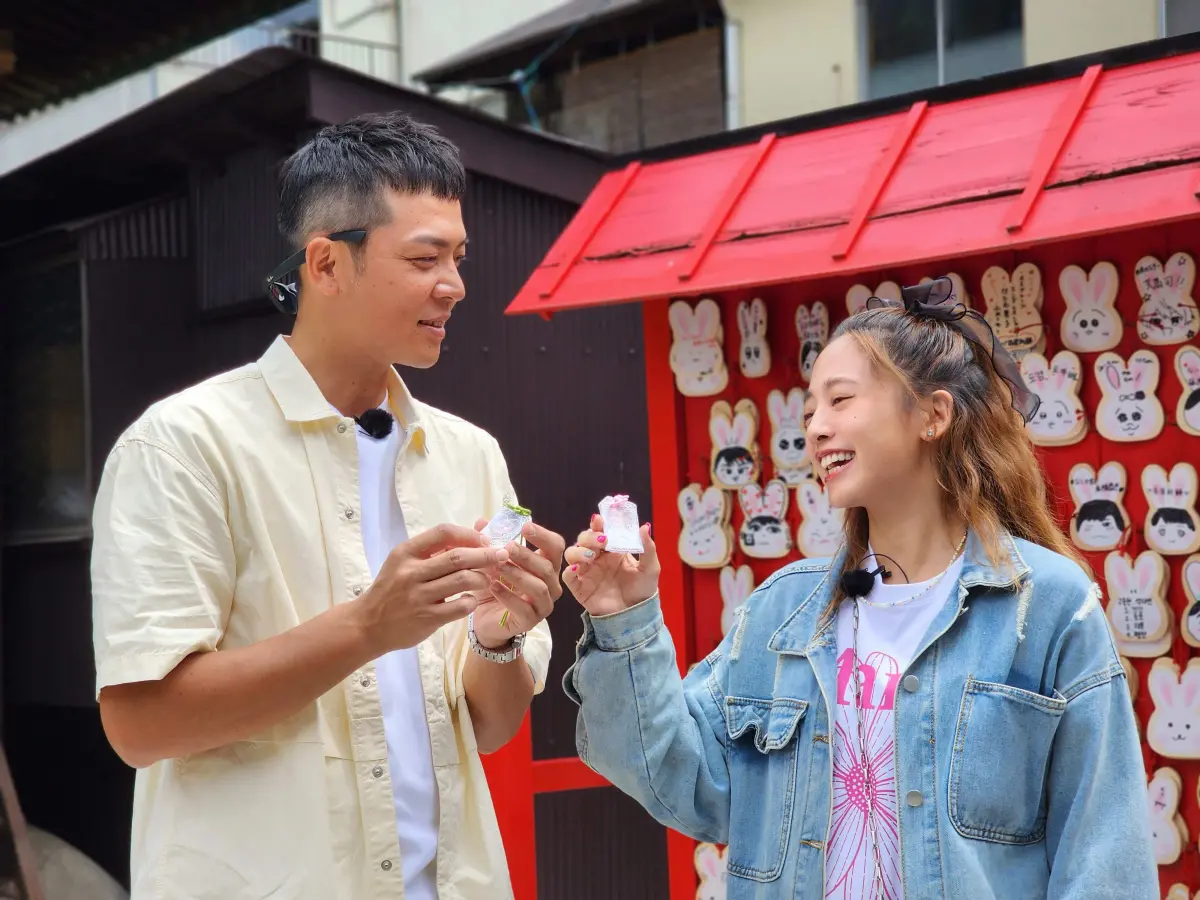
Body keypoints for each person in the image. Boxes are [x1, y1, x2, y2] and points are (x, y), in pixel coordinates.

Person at [91, 112, 563, 900]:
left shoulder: (469, 454)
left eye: (458, 256)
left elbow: (491, 725)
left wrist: (499, 638)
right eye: (424, 258)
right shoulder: (182, 445)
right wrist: (369, 628)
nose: (455, 283)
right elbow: (142, 725)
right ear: (325, 263)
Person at [561, 278, 1156, 899]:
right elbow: (683, 784)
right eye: (811, 407)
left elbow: (1104, 856)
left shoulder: (1046, 604)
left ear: (934, 414)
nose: (815, 427)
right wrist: (625, 620)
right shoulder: (784, 611)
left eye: (840, 400)